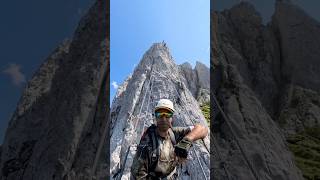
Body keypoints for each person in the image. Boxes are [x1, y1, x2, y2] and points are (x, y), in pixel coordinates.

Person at [131, 99, 208, 180]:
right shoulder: (146, 145)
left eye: (168, 114)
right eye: (160, 113)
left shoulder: (173, 133)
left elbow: (203, 129)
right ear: (155, 117)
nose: (164, 118)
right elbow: (138, 176)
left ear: (172, 117)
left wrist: (187, 139)